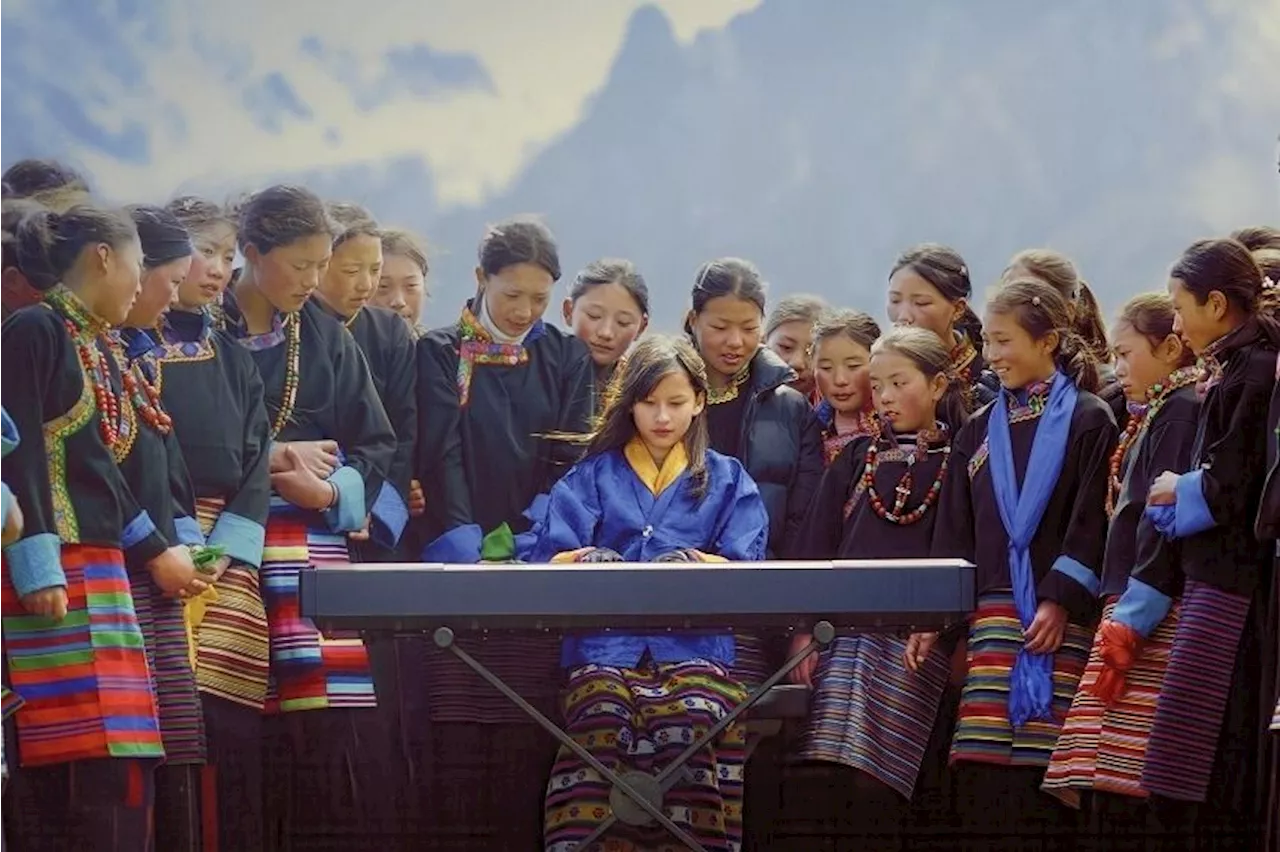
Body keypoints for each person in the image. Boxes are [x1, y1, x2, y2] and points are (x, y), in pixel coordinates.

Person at [0, 202, 196, 849]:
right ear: (103, 257)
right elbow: (19, 447)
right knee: (76, 757)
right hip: (57, 575)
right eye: (139, 264)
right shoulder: (35, 330)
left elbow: (103, 473)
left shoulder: (97, 341)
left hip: (104, 574)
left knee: (122, 754)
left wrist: (159, 550)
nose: (143, 283)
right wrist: (36, 564)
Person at [525, 334, 769, 852]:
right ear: (628, 402)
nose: (662, 416)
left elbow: (747, 565)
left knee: (694, 718)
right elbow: (551, 555)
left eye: (676, 403)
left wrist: (696, 564)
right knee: (601, 714)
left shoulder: (727, 480)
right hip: (603, 650)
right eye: (649, 402)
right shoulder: (590, 475)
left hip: (696, 653)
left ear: (700, 402)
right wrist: (592, 560)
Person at [220, 185, 398, 850]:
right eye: (300, 266)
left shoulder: (324, 336)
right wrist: (270, 459)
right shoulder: (199, 325)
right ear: (252, 251)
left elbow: (377, 443)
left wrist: (326, 495)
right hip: (221, 543)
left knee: (321, 722)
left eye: (322, 265)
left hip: (307, 548)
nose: (313, 281)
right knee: (230, 718)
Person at [415, 216, 594, 849]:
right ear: (479, 280)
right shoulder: (440, 351)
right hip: (457, 556)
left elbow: (569, 457)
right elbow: (442, 453)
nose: (524, 311)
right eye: (511, 295)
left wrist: (532, 537)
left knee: (529, 726)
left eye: (539, 300)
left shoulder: (566, 355)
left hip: (539, 556)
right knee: (460, 724)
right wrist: (466, 539)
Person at [931, 278, 1117, 851]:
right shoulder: (976, 431)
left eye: (1005, 341)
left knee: (1045, 768)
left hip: (1053, 622)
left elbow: (1092, 519)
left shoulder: (1090, 420)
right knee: (983, 769)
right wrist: (944, 624)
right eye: (987, 342)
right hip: (991, 622)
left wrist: (1061, 598)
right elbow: (954, 532)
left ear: (1049, 341)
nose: (992, 355)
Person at [783, 326, 970, 851]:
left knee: (887, 782)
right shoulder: (855, 457)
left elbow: (959, 547)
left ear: (937, 385)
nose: (885, 396)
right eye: (880, 384)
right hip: (842, 639)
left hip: (916, 642)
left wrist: (942, 626)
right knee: (825, 770)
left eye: (899, 382)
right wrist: (803, 630)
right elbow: (814, 549)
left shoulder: (959, 458)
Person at [1040, 293, 1199, 849]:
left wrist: (1133, 615)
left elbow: (1161, 522)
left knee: (1124, 771)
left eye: (1128, 353)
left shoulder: (1180, 411)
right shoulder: (1157, 412)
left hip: (1148, 611)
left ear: (1172, 349)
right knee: (1102, 766)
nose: (1119, 366)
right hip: (1131, 601)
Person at [1145, 238, 1279, 849]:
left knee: (1203, 745)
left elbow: (1238, 481)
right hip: (1211, 576)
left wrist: (1179, 488)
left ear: (1218, 303)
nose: (1175, 322)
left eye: (1181, 305)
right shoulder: (1235, 365)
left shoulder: (1252, 371)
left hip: (1232, 581)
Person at [159, 195, 274, 851]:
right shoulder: (129, 349)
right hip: (162, 551)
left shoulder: (232, 357)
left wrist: (228, 549)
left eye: (229, 255)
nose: (220, 268)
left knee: (230, 722)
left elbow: (258, 454)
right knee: (175, 718)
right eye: (206, 250)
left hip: (229, 565)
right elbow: (148, 451)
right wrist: (178, 535)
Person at [110, 204, 213, 850]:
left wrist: (186, 539)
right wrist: (153, 547)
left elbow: (165, 463)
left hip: (161, 568)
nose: (176, 296)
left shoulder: (141, 355)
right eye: (169, 280)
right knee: (128, 756)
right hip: (123, 571)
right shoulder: (87, 354)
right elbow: (97, 470)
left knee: (174, 739)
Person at [1002, 248, 1123, 426]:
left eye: (1027, 300)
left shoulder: (1107, 393)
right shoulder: (1000, 388)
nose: (1012, 310)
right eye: (1006, 296)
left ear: (1067, 311)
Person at [887, 243, 992, 403]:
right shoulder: (879, 373)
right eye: (895, 300)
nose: (903, 316)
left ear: (957, 309)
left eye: (921, 303)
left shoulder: (987, 382)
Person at [562, 258, 650, 408]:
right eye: (593, 315)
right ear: (569, 311)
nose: (606, 333)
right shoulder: (542, 369)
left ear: (641, 327)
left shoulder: (642, 388)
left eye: (623, 322)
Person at [809, 309, 882, 464]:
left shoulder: (895, 423)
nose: (840, 380)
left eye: (853, 366)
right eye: (826, 368)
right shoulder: (808, 427)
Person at [765, 294, 827, 400]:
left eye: (812, 352)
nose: (797, 363)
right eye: (786, 347)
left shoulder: (839, 411)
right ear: (763, 341)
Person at [374, 227, 430, 338]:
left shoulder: (439, 352)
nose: (398, 301)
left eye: (411, 286)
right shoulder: (342, 350)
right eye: (383, 286)